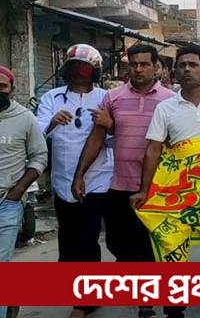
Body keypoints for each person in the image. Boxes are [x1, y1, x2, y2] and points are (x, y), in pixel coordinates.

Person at [130, 45, 200, 318]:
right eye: (182, 65)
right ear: (174, 71)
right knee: (172, 243)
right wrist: (145, 190)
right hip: (178, 189)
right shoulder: (165, 108)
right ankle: (174, 306)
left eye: (193, 65)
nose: (187, 69)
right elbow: (154, 149)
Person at [70, 44, 173, 317]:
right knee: (117, 243)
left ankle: (146, 302)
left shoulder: (170, 100)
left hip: (156, 188)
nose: (138, 69)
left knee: (148, 245)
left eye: (144, 64)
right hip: (118, 186)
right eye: (134, 64)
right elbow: (96, 138)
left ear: (155, 67)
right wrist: (80, 174)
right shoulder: (113, 98)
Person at [36, 44, 113, 318]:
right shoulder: (52, 98)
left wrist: (109, 123)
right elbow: (38, 132)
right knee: (68, 238)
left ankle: (85, 302)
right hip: (62, 179)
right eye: (75, 68)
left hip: (98, 178)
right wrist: (52, 122)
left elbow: (119, 135)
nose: (80, 73)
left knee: (88, 237)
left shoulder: (106, 98)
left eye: (85, 69)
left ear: (95, 72)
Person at [0, 66, 47, 318]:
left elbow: (39, 156)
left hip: (7, 202)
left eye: (2, 86)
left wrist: (18, 190)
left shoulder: (25, 118)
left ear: (12, 90)